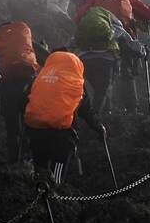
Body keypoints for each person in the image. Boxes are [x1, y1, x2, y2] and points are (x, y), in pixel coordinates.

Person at [23, 51, 106, 186]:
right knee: (59, 162)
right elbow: (87, 112)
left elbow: (25, 100)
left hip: (36, 127)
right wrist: (99, 128)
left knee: (40, 164)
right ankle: (55, 189)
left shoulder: (40, 77)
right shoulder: (76, 82)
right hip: (62, 131)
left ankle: (39, 186)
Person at [75, 6, 145, 114]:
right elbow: (128, 41)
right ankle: (100, 116)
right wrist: (142, 50)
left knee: (97, 89)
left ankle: (99, 113)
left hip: (85, 60)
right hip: (106, 59)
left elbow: (73, 42)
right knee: (103, 89)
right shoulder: (113, 23)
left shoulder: (85, 25)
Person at [0, 22, 40, 163]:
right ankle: (26, 157)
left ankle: (13, 159)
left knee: (12, 126)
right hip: (28, 82)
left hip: (7, 85)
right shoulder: (25, 38)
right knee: (29, 122)